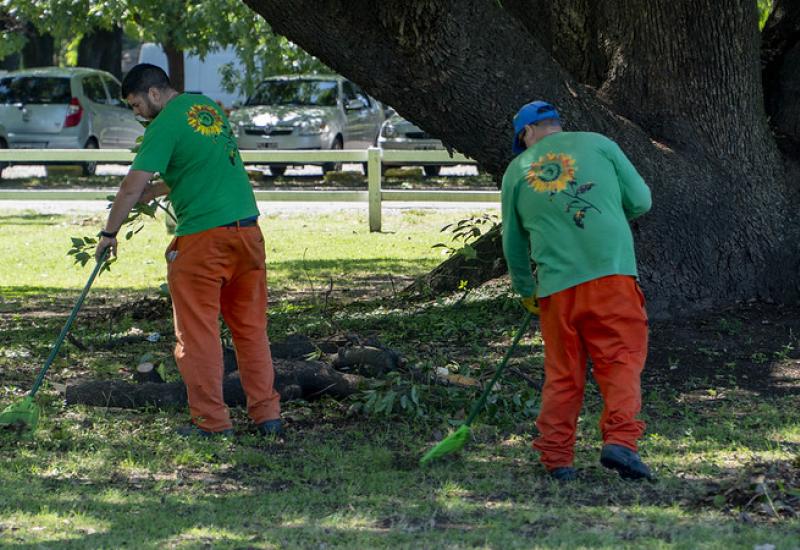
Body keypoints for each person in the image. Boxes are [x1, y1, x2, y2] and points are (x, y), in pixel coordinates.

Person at [94, 64, 281, 438]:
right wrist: (157, 190)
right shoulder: (206, 109)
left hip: (203, 241)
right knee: (251, 331)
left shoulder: (163, 125)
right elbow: (198, 166)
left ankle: (212, 423)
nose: (137, 115)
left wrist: (108, 233)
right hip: (247, 233)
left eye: (135, 105)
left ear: (154, 94)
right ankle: (268, 417)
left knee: (197, 336)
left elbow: (131, 186)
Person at [501, 100, 653, 481]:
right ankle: (620, 441)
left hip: (556, 289)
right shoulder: (600, 144)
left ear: (526, 134)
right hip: (613, 278)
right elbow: (641, 201)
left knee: (563, 373)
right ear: (556, 126)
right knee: (620, 361)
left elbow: (512, 243)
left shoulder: (517, 171)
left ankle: (557, 460)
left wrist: (525, 288)